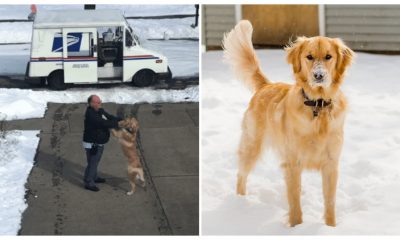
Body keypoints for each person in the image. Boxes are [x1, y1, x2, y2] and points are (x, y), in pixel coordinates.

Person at [82, 95, 121, 192]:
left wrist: (118, 119)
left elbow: (108, 116)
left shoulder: (98, 110)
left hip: (98, 142)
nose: (100, 103)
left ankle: (93, 177)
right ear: (91, 103)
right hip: (92, 144)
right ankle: (89, 182)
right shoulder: (91, 115)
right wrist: (119, 123)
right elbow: (105, 123)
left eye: (100, 101)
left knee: (94, 162)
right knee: (93, 163)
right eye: (98, 102)